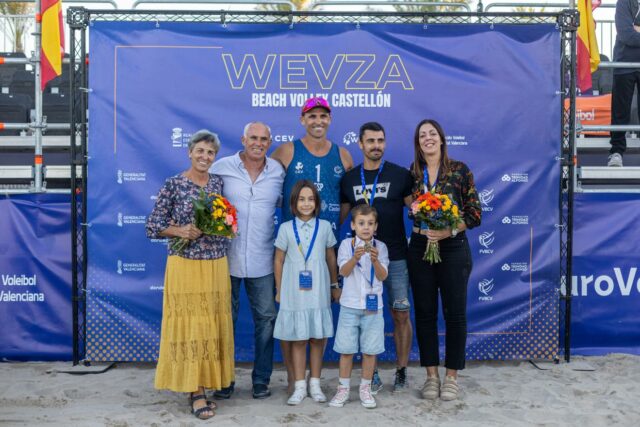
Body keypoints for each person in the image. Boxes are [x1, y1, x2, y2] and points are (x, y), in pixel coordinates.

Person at [145, 130, 234, 420]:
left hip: (216, 263)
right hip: (186, 264)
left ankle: (205, 384)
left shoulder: (217, 183)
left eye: (210, 153)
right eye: (200, 151)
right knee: (191, 325)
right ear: (189, 152)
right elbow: (153, 226)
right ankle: (195, 392)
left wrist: (222, 226)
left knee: (210, 325)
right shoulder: (173, 184)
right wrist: (180, 230)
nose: (205, 157)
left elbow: (220, 219)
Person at [272, 96, 353, 392]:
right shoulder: (286, 150)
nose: (318, 121)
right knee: (290, 318)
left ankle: (314, 381)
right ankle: (295, 381)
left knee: (317, 319)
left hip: (323, 245)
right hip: (293, 248)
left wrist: (331, 222)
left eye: (323, 116)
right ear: (302, 119)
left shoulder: (343, 155)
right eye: (312, 116)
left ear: (329, 120)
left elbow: (347, 200)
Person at [407, 119, 481, 401]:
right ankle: (430, 376)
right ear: (418, 142)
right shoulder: (413, 174)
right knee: (425, 314)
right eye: (422, 135)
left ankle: (451, 376)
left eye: (432, 133)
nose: (428, 138)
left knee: (455, 314)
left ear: (441, 139)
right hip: (420, 248)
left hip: (453, 248)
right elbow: (408, 209)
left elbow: (475, 214)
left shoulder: (460, 171)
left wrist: (448, 229)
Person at [210, 122, 285, 399]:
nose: (258, 143)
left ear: (270, 141)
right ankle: (224, 380)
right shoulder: (221, 167)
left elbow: (290, 204)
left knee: (266, 320)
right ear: (243, 139)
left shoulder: (278, 171)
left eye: (264, 139)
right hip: (224, 259)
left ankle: (261, 381)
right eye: (253, 137)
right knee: (224, 321)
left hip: (263, 260)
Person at [340, 122, 414, 393]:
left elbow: (416, 211)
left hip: (394, 258)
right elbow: (341, 219)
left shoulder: (400, 175)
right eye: (370, 141)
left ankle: (402, 370)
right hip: (359, 261)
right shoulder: (349, 179)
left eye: (380, 140)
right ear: (360, 144)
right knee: (365, 315)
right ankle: (372, 374)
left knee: (401, 314)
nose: (376, 145)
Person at [273, 180, 339, 405]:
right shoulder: (285, 228)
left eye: (310, 199)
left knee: (317, 338)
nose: (306, 203)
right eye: (301, 199)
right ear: (294, 203)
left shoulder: (325, 227)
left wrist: (334, 285)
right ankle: (299, 385)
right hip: (293, 292)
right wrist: (279, 290)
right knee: (299, 339)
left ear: (317, 203)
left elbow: (331, 257)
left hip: (319, 290)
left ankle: (315, 384)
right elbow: (279, 260)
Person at [330, 204, 389, 409]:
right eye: (361, 223)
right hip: (350, 305)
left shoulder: (380, 247)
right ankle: (343, 389)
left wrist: (375, 261)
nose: (366, 228)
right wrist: (355, 257)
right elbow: (344, 272)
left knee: (370, 350)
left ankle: (365, 388)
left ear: (376, 227)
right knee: (346, 350)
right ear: (353, 225)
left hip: (374, 307)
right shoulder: (346, 244)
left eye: (370, 224)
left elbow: (383, 276)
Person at [608, 0, 640, 167]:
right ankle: (616, 153)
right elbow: (626, 34)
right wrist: (633, 30)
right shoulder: (624, 2)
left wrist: (636, 30)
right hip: (623, 63)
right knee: (620, 112)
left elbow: (632, 34)